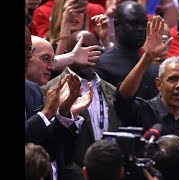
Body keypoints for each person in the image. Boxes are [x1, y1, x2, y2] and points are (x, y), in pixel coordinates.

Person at [42, 30, 122, 179]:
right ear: (68, 53)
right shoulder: (50, 90)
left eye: (94, 49)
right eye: (83, 48)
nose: (89, 54)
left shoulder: (112, 90)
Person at [114, 15, 179, 140]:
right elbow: (123, 98)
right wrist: (147, 57)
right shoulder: (142, 111)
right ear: (159, 84)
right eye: (172, 79)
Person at [25, 26, 93, 180]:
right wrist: (46, 114)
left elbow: (49, 150)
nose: (52, 67)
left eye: (29, 50)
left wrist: (64, 113)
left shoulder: (33, 90)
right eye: (45, 58)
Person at [96, 0, 160, 100]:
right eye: (133, 23)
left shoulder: (154, 69)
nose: (140, 29)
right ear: (117, 25)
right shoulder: (101, 65)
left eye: (144, 24)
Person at [29, 0, 105, 38]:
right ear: (60, 14)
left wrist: (105, 41)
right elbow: (55, 66)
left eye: (79, 11)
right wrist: (64, 33)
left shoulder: (96, 9)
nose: (74, 15)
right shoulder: (42, 11)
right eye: (69, 11)